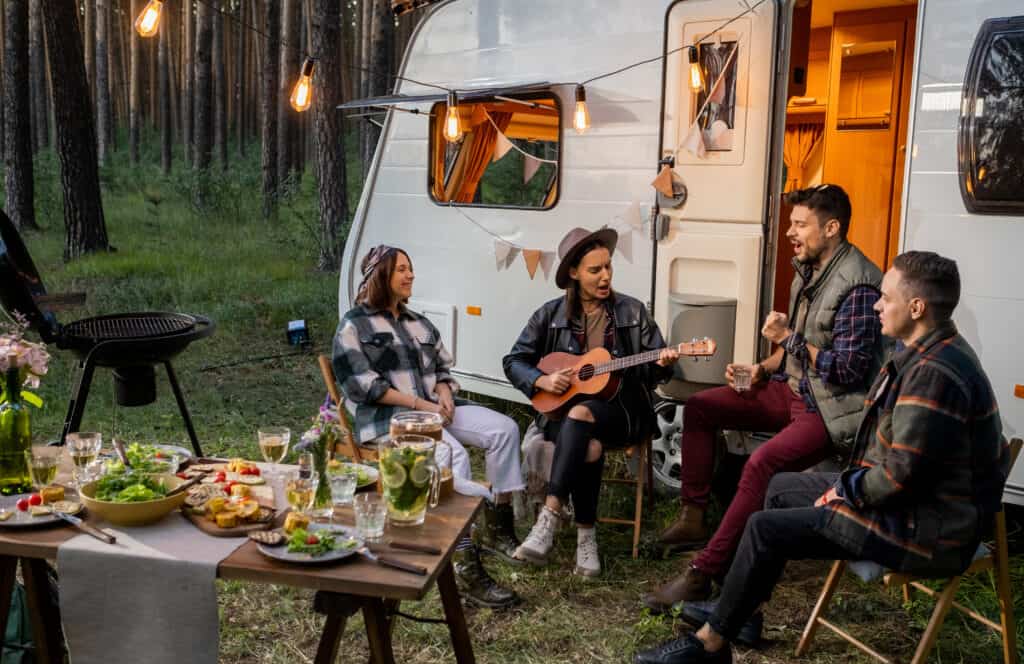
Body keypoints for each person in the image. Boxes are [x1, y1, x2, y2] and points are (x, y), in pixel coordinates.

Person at [633, 251, 1010, 664]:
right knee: (776, 486)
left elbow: (900, 475)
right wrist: (850, 485)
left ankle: (711, 645)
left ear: (917, 308)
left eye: (886, 298)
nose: (876, 305)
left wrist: (846, 490)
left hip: (927, 527)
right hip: (915, 505)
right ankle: (743, 613)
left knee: (764, 528)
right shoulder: (929, 352)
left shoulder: (934, 372)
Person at [645, 184, 884, 615]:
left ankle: (705, 573)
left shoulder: (860, 286)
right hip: (793, 389)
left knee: (761, 464)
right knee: (700, 407)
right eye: (791, 223)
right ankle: (694, 518)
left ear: (831, 228)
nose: (791, 232)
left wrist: (788, 339)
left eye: (800, 224)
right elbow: (796, 347)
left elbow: (847, 371)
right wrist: (762, 368)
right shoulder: (809, 270)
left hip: (830, 409)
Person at [333, 245, 524, 609]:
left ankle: (497, 530)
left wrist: (444, 394)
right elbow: (363, 385)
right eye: (402, 269)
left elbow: (441, 370)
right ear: (380, 275)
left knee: (505, 429)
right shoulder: (353, 326)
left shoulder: (418, 323)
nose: (410, 275)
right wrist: (423, 406)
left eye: (411, 269)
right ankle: (466, 569)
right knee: (452, 455)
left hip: (434, 408)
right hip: (388, 420)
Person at [503, 227, 679, 578]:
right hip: (564, 416)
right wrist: (542, 380)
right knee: (590, 446)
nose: (605, 277)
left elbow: (652, 374)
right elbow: (514, 361)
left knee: (583, 413)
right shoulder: (549, 315)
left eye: (608, 267)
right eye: (595, 270)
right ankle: (586, 536)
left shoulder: (631, 312)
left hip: (623, 412)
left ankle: (549, 518)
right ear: (573, 272)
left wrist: (662, 365)